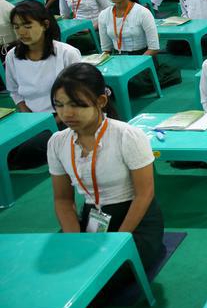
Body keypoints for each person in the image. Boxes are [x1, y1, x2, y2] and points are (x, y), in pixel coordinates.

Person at [48, 63, 165, 294]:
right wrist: (76, 241)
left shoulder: (128, 136)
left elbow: (144, 194)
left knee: (97, 280)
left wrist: (117, 243)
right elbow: (62, 200)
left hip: (135, 221)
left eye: (77, 105)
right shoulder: (57, 142)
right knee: (58, 269)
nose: (66, 113)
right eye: (59, 105)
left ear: (101, 101)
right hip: (93, 216)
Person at [98, 0, 180, 92]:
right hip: (117, 59)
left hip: (142, 57)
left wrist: (135, 64)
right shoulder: (104, 15)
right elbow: (106, 49)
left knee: (130, 85)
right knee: (96, 81)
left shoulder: (142, 13)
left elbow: (154, 48)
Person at [6, 1, 81, 114]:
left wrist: (57, 119)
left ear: (45, 25)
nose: (21, 32)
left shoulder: (67, 53)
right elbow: (14, 91)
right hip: (32, 117)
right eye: (16, 27)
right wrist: (29, 116)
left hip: (66, 115)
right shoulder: (12, 56)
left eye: (28, 26)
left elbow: (79, 93)